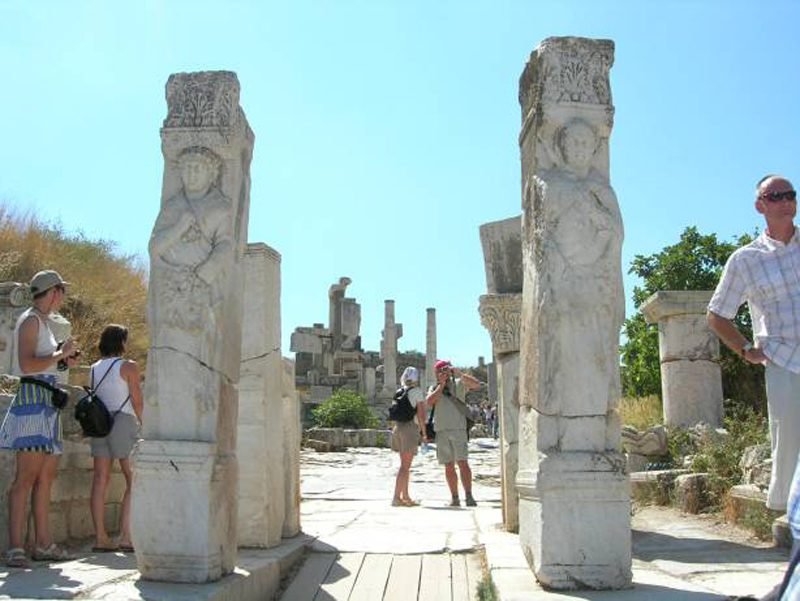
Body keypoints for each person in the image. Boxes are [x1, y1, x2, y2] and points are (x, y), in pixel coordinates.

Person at [707, 174, 800, 512]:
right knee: (788, 442)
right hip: (783, 360)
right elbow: (717, 314)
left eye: (791, 194)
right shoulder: (746, 260)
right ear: (760, 205)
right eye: (777, 196)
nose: (786, 201)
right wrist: (745, 349)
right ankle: (787, 523)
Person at [0, 270, 80, 567]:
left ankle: (43, 543)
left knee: (45, 477)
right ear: (53, 291)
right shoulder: (31, 320)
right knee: (26, 478)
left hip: (47, 400)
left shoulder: (42, 322)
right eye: (61, 291)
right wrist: (60, 356)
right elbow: (26, 364)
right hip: (34, 400)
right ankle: (16, 547)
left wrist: (62, 357)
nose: (63, 297)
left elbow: (41, 363)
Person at [88, 324, 143, 553]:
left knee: (100, 479)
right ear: (122, 342)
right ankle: (126, 536)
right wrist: (145, 424)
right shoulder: (129, 366)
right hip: (123, 421)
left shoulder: (94, 368)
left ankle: (101, 537)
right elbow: (137, 400)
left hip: (99, 423)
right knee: (133, 479)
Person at [426, 359, 481, 507]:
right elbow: (429, 402)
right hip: (441, 430)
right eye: (440, 371)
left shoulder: (458, 384)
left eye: (445, 370)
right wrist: (441, 385)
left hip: (458, 429)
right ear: (436, 374)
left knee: (462, 462)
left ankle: (469, 496)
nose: (442, 373)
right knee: (448, 465)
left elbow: (476, 385)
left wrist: (460, 373)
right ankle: (455, 497)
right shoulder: (434, 387)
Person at [390, 366, 427, 507]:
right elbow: (421, 415)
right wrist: (424, 433)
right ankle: (396, 497)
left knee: (405, 466)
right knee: (404, 467)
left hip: (397, 428)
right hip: (409, 428)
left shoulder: (398, 392)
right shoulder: (417, 392)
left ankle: (405, 497)